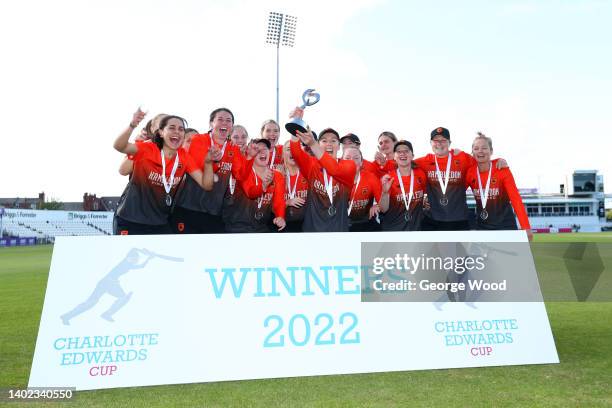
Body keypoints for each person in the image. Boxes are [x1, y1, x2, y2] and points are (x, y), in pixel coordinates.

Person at [112, 109, 214, 235]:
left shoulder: (184, 157)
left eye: (181, 129)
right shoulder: (147, 148)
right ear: (160, 132)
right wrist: (132, 125)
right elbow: (119, 146)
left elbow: (206, 185)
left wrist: (208, 163)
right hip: (131, 220)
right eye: (172, 128)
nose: (177, 131)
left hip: (160, 223)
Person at [171, 108, 252, 234]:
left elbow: (241, 176)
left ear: (231, 126)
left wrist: (249, 158)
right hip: (189, 208)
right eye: (220, 119)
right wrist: (213, 161)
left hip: (214, 212)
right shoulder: (199, 140)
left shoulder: (233, 148)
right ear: (211, 123)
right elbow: (199, 171)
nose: (224, 123)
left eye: (228, 121)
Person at [413, 126, 506, 231]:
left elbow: (482, 160)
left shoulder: (463, 157)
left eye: (443, 140)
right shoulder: (422, 162)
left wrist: (498, 160)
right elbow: (402, 163)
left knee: (461, 248)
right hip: (433, 220)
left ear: (449, 143)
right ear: (431, 143)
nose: (439, 143)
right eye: (436, 140)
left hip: (460, 220)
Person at [289, 111, 356, 232]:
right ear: (319, 143)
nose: (329, 144)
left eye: (333, 141)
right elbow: (296, 151)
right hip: (312, 230)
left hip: (339, 231)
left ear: (339, 146)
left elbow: (334, 170)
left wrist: (313, 144)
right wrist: (296, 123)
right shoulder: (312, 164)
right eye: (324, 141)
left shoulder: (348, 165)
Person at [465, 132, 532, 240]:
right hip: (482, 226)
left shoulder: (502, 170)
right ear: (472, 152)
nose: (480, 151)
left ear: (491, 151)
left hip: (505, 225)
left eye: (484, 148)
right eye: (476, 148)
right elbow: (455, 192)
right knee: (477, 257)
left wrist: (526, 227)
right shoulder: (470, 173)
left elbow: (515, 199)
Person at [224, 139, 286, 233]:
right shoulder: (245, 171)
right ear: (251, 153)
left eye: (265, 149)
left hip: (261, 227)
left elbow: (279, 201)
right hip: (238, 226)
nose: (262, 152)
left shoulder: (277, 175)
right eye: (257, 150)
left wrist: (280, 216)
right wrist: (263, 186)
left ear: (269, 152)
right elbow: (250, 192)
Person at [379, 140, 427, 231]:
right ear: (394, 157)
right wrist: (384, 192)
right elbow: (383, 209)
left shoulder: (421, 174)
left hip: (416, 229)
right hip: (393, 230)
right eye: (399, 151)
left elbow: (425, 196)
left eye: (406, 151)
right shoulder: (388, 178)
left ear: (412, 156)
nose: (402, 154)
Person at [342, 146, 382, 232]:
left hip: (365, 223)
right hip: (341, 224)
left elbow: (382, 203)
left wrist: (377, 205)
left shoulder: (371, 177)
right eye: (347, 158)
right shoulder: (335, 178)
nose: (352, 161)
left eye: (356, 158)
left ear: (361, 162)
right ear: (341, 161)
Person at [282, 141, 309, 232]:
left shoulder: (308, 173)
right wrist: (287, 202)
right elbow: (269, 207)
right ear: (283, 153)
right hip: (281, 225)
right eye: (289, 149)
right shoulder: (277, 175)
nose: (292, 152)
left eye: (295, 149)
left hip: (305, 226)